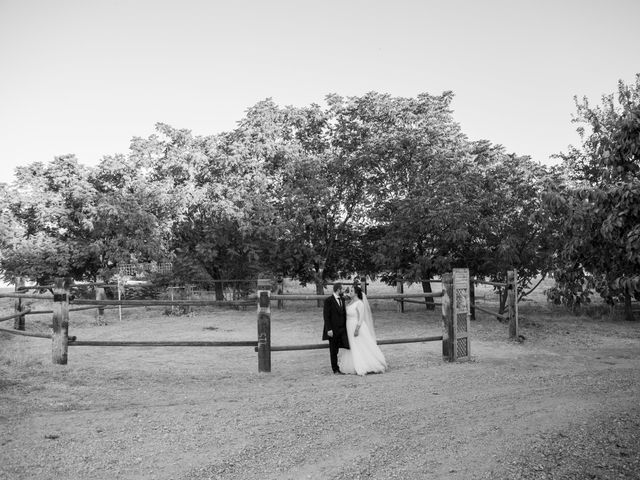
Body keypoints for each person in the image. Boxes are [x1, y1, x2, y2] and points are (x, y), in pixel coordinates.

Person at [338, 284, 387, 376]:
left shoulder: (359, 303)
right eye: (350, 291)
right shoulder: (350, 302)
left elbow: (361, 318)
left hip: (356, 327)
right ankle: (352, 364)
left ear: (356, 293)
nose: (350, 292)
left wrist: (357, 329)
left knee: (360, 345)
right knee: (352, 345)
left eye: (352, 291)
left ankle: (367, 364)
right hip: (349, 326)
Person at [322, 283, 349, 374]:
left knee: (347, 345)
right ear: (338, 289)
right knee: (333, 350)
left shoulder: (342, 299)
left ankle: (345, 365)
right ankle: (335, 369)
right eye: (342, 289)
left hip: (342, 329)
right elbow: (326, 316)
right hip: (333, 330)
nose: (343, 291)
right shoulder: (328, 300)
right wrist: (329, 329)